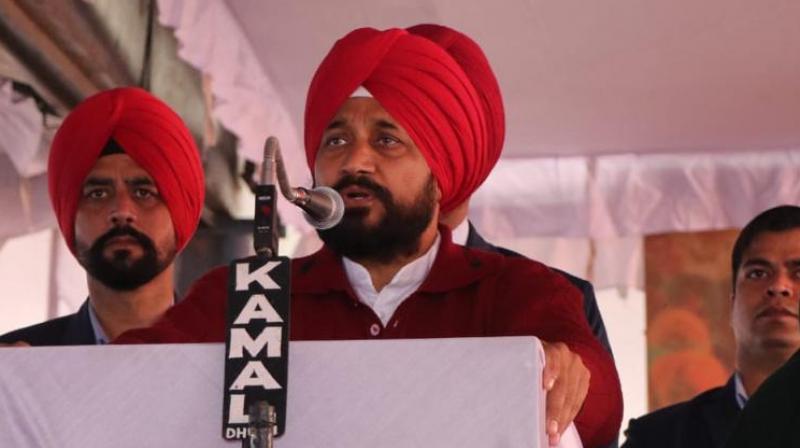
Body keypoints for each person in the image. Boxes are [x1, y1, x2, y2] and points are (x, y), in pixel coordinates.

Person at [117, 25, 622, 447]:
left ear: (440, 175)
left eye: (386, 140)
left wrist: (570, 374)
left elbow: (600, 409)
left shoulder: (515, 290)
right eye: (336, 139)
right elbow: (120, 382)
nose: (355, 161)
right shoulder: (247, 298)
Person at [405, 24, 614, 358]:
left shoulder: (561, 300)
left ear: (480, 140)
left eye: (444, 130)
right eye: (397, 133)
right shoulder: (313, 297)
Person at [0, 87, 204, 346]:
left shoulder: (225, 361)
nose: (122, 211)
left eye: (144, 193)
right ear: (70, 216)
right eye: (97, 194)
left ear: (179, 212)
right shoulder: (18, 359)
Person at [622, 205, 800, 448]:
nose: (779, 286)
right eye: (758, 273)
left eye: (799, 273)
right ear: (732, 302)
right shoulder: (657, 437)